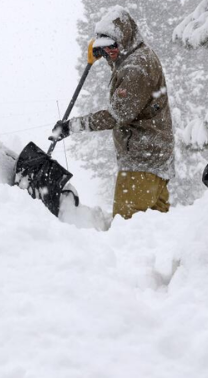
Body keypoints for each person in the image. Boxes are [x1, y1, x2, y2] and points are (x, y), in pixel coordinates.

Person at [50, 7, 175, 220]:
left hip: (141, 164)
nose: (109, 53)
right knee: (154, 231)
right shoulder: (136, 55)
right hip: (154, 160)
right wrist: (107, 56)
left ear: (124, 40)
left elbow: (116, 115)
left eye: (112, 47)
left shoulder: (135, 67)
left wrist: (72, 126)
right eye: (104, 48)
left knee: (128, 231)